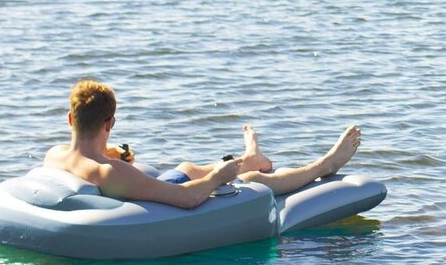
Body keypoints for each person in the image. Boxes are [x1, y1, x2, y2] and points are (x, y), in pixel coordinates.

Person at [43, 80, 362, 210]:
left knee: (186, 168)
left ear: (70, 119)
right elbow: (190, 198)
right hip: (163, 197)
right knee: (248, 181)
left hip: (145, 181)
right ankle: (325, 165)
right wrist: (219, 176)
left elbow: (89, 155)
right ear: (110, 123)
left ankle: (251, 156)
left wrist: (113, 152)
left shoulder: (55, 155)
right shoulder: (109, 172)